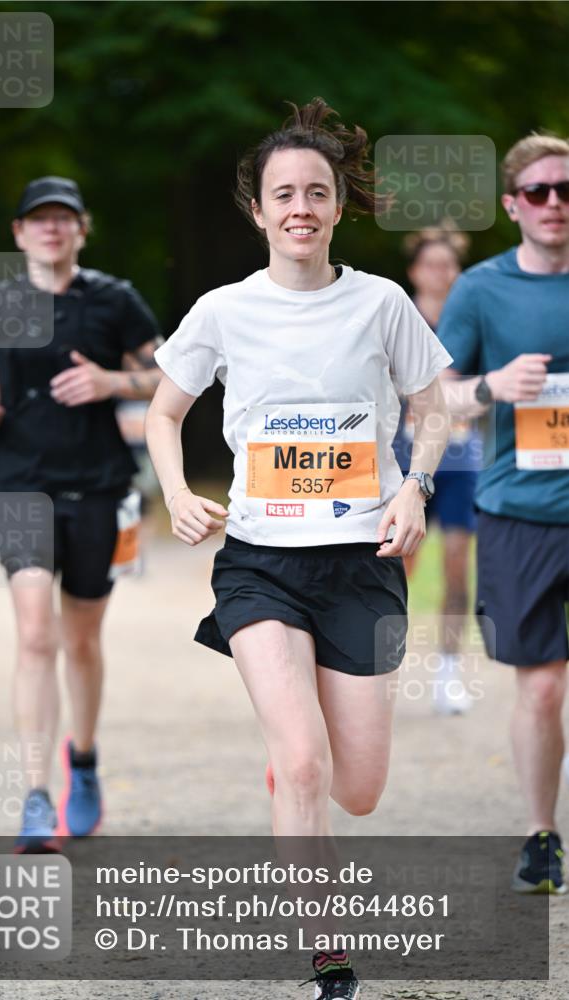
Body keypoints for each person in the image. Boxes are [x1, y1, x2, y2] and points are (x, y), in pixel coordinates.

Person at [146, 99, 452, 999]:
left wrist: (412, 485)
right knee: (309, 763)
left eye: (315, 192)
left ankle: (294, 769)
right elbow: (165, 412)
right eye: (283, 193)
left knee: (356, 788)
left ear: (335, 207)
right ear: (258, 209)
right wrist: (173, 492)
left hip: (360, 564)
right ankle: (329, 956)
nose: (299, 208)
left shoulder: (381, 303)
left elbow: (433, 407)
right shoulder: (223, 310)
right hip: (260, 564)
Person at [0, 176, 162, 851]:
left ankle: (82, 761)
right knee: (33, 636)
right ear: (19, 232)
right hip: (21, 484)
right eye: (38, 220)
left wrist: (112, 382)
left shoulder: (114, 301)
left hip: (97, 487)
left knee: (80, 638)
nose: (51, 229)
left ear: (81, 230)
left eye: (64, 219)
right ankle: (34, 796)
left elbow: (169, 376)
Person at [437, 133, 569, 894]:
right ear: (511, 204)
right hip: (518, 510)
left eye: (566, 190)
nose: (555, 203)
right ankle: (539, 833)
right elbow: (434, 395)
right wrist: (490, 387)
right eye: (539, 192)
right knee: (542, 686)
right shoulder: (481, 290)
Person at [392, 224, 480, 714]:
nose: (440, 273)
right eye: (431, 264)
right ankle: (384, 665)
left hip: (463, 460)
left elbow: (490, 390)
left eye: (448, 265)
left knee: (455, 565)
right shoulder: (399, 320)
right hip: (407, 459)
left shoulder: (470, 322)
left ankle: (448, 672)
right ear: (414, 271)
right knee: (401, 567)